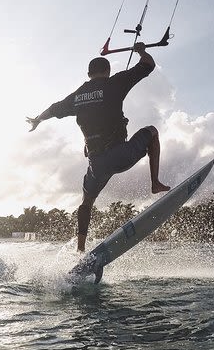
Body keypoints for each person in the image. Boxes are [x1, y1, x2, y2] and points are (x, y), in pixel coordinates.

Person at [27, 42, 170, 252]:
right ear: (108, 71)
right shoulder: (115, 83)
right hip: (121, 155)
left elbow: (53, 108)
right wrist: (141, 50)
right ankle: (155, 182)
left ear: (88, 73)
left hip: (96, 165)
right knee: (152, 131)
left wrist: (38, 119)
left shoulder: (77, 97)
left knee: (86, 203)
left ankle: (81, 249)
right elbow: (148, 65)